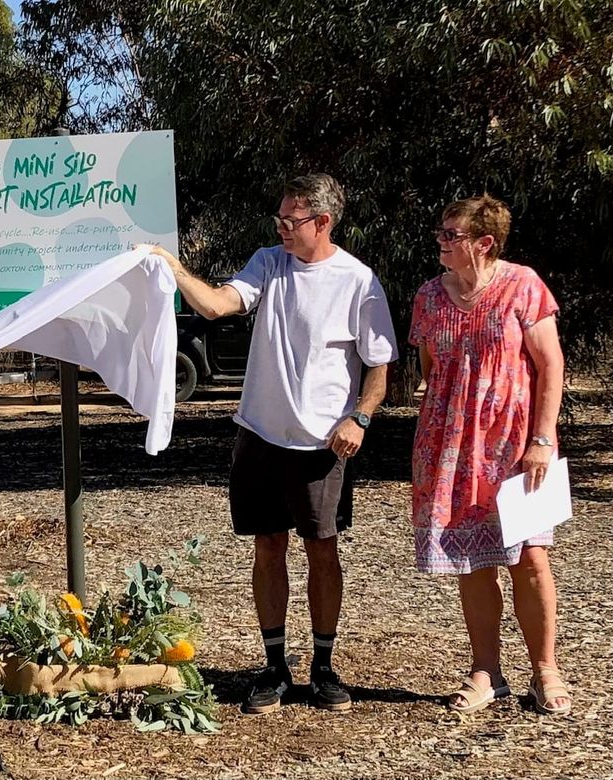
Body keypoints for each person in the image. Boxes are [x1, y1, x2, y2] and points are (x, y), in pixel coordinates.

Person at [151, 173, 397, 713]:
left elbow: (380, 367)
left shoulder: (359, 281)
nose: (282, 229)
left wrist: (359, 417)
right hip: (259, 435)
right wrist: (170, 266)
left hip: (321, 446)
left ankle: (325, 666)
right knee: (267, 547)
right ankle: (274, 666)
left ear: (323, 222)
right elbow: (217, 305)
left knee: (322, 549)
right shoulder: (269, 262)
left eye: (292, 220)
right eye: (279, 219)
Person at [409, 194, 570, 715]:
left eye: (450, 235)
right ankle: (487, 672)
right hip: (450, 447)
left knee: (530, 559)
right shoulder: (429, 297)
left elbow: (551, 366)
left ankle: (545, 670)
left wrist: (542, 439)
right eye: (440, 232)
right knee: (471, 562)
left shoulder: (523, 286)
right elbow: (432, 369)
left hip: (515, 447)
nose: (441, 241)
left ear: (484, 243)